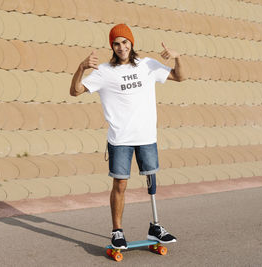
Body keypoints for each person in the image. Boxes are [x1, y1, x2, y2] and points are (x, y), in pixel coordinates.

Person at [69, 24, 186, 249]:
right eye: (116, 43)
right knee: (120, 184)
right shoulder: (104, 72)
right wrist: (81, 67)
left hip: (146, 136)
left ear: (131, 43)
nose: (121, 47)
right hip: (120, 139)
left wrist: (177, 58)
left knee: (151, 178)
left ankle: (155, 227)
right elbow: (75, 91)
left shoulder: (148, 65)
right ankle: (117, 231)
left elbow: (179, 77)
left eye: (125, 42)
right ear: (111, 47)